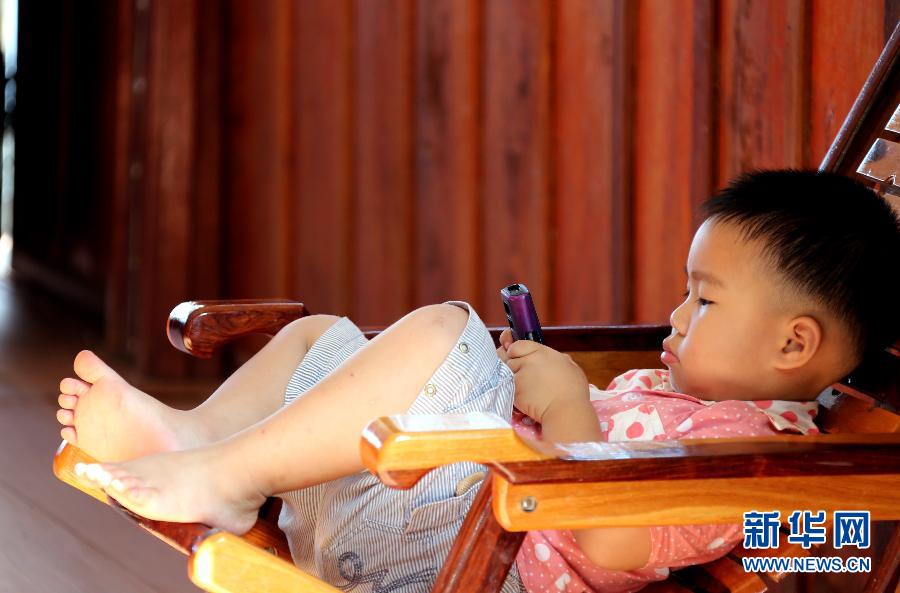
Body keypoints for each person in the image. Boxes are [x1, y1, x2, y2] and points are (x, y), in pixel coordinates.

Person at [60, 170, 899, 592]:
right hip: (442, 503)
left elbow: (614, 545)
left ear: (795, 343)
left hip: (477, 553)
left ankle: (225, 476)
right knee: (328, 333)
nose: (676, 316)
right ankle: (202, 438)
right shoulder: (696, 400)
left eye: (704, 298)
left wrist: (567, 400)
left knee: (444, 326)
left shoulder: (755, 460)